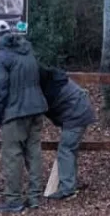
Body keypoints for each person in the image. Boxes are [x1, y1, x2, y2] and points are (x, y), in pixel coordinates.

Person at [0, 20, 47, 213]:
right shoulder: (26, 50)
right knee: (34, 153)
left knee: (12, 156)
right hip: (36, 108)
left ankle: (13, 199)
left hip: (15, 112)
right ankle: (34, 197)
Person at [39, 66, 96, 200]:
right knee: (70, 149)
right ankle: (70, 183)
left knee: (66, 149)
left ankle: (67, 189)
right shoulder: (55, 81)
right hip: (79, 111)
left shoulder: (49, 90)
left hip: (76, 115)